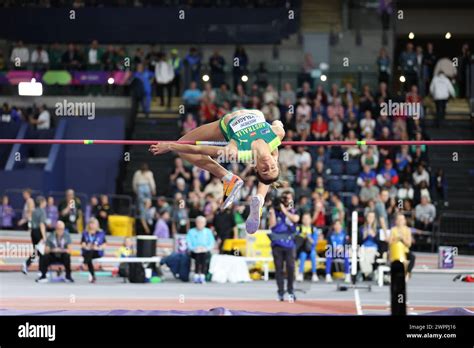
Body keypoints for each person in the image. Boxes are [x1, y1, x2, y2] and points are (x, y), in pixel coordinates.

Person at [149, 108, 286, 234]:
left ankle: (227, 177)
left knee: (182, 146)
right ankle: (260, 199)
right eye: (272, 166)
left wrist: (170, 146)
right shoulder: (278, 134)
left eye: (264, 169)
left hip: (226, 124)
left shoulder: (236, 151)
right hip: (258, 117)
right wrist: (277, 122)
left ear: (255, 167)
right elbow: (277, 123)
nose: (268, 165)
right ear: (276, 161)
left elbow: (199, 149)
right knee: (271, 156)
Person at [268, 191, 299, 301]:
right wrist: (272, 211)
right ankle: (280, 292)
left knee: (290, 269)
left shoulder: (294, 210)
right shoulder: (276, 211)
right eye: (284, 198)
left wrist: (284, 210)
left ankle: (290, 291)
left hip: (290, 244)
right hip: (277, 244)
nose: (286, 200)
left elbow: (295, 219)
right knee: (279, 269)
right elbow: (272, 226)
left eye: (288, 198)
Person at [186, 216, 215, 284]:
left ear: (205, 223)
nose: (200, 224)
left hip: (205, 250)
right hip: (194, 251)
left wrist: (205, 248)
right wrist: (194, 248)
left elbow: (211, 243)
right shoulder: (191, 231)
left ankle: (201, 275)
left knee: (203, 255)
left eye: (202, 223)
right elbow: (188, 243)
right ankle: (197, 275)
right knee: (198, 255)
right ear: (196, 223)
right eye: (199, 222)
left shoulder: (208, 231)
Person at [22, 196, 47, 275]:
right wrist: (44, 236)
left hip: (33, 232)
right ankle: (41, 271)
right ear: (42, 202)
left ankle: (26, 264)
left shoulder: (34, 211)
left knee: (36, 251)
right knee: (42, 252)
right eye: (45, 201)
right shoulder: (42, 211)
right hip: (39, 232)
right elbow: (42, 224)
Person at [389, 213, 416, 281]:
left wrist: (403, 238)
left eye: (402, 219)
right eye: (399, 219)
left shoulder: (407, 230)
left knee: (412, 257)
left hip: (404, 251)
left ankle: (408, 272)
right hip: (395, 251)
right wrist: (397, 238)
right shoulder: (393, 229)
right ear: (396, 221)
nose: (400, 221)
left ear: (405, 221)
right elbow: (390, 242)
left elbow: (409, 244)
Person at [81, 217, 107, 283]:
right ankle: (93, 276)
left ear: (97, 225)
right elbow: (83, 244)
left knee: (90, 253)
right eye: (91, 224)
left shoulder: (101, 233)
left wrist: (98, 247)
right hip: (87, 251)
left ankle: (84, 263)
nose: (92, 225)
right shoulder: (85, 233)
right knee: (89, 253)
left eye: (93, 224)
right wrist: (87, 246)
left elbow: (104, 244)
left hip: (97, 252)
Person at [295, 212, 319, 283]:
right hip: (302, 249)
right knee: (303, 255)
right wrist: (302, 236)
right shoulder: (299, 228)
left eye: (307, 218)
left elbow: (314, 242)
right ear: (302, 220)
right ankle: (300, 274)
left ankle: (314, 274)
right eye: (304, 218)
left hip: (311, 249)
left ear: (310, 219)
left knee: (313, 254)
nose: (306, 220)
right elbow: (296, 239)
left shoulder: (313, 229)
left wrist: (308, 237)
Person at [359, 211, 379, 279]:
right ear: (366, 218)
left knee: (370, 255)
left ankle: (367, 273)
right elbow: (359, 241)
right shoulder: (362, 228)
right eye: (369, 217)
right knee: (362, 254)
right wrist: (364, 236)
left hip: (373, 248)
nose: (370, 218)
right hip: (364, 247)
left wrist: (374, 236)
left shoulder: (377, 229)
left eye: (372, 217)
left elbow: (379, 242)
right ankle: (366, 273)